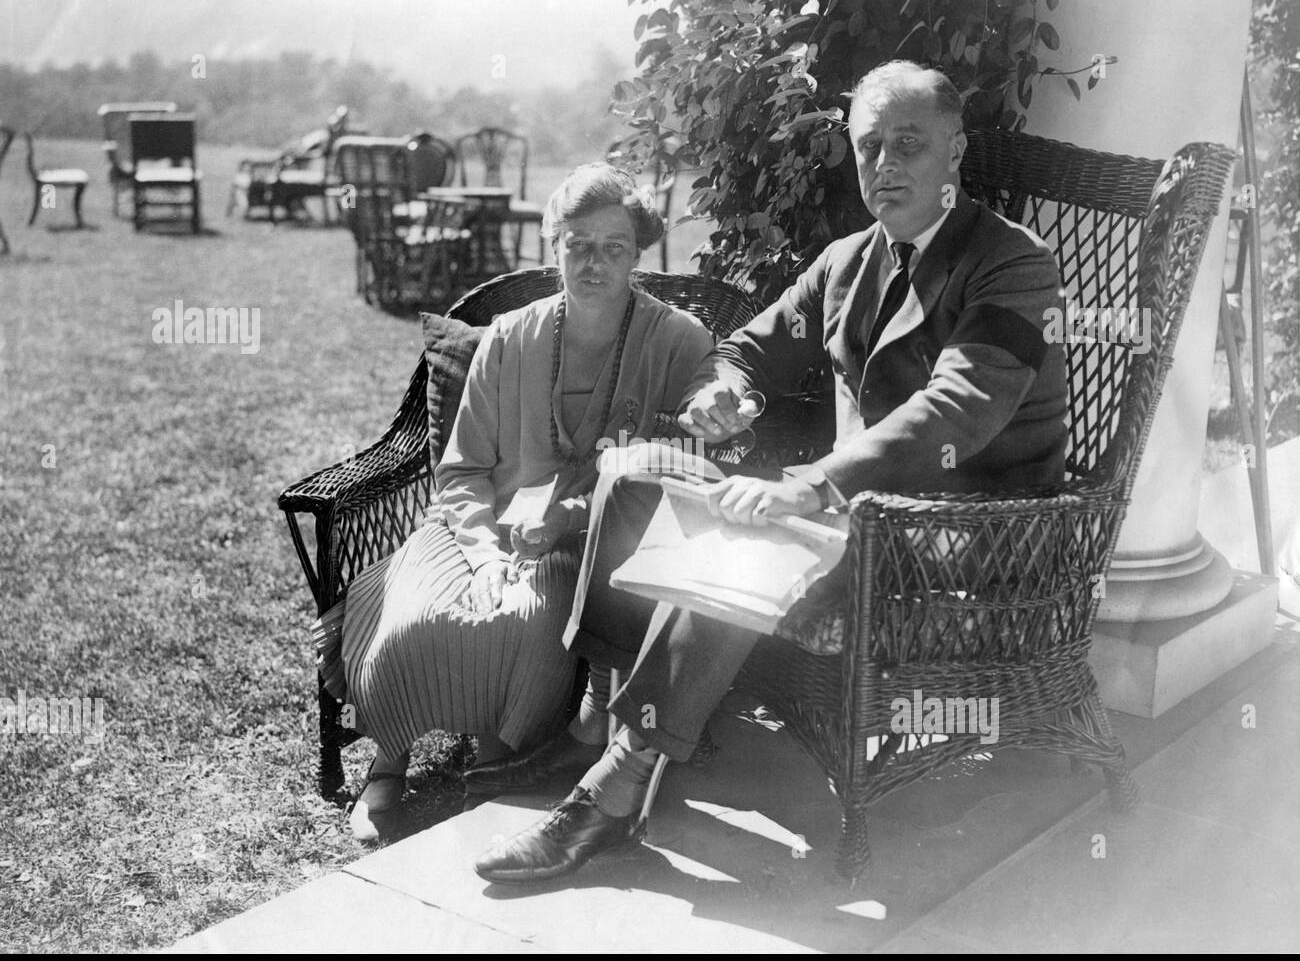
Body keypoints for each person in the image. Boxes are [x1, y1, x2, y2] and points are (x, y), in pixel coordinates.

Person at [473, 60, 1069, 883]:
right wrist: (728, 389)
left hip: (970, 531)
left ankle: (614, 789)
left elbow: (958, 409)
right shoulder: (851, 261)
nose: (886, 165)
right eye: (869, 147)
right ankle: (614, 724)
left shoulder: (1014, 263)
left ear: (956, 150)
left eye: (909, 144)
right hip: (860, 513)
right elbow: (748, 347)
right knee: (638, 470)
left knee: (743, 538)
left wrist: (814, 483)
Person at [313, 162, 713, 841]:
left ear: (637, 256)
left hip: (577, 547)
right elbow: (462, 470)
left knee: (527, 626)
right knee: (417, 619)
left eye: (614, 248)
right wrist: (484, 550)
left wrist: (717, 401)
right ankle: (389, 761)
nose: (594, 263)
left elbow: (708, 405)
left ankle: (495, 758)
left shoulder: (673, 339)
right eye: (577, 245)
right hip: (475, 526)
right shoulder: (509, 337)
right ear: (553, 244)